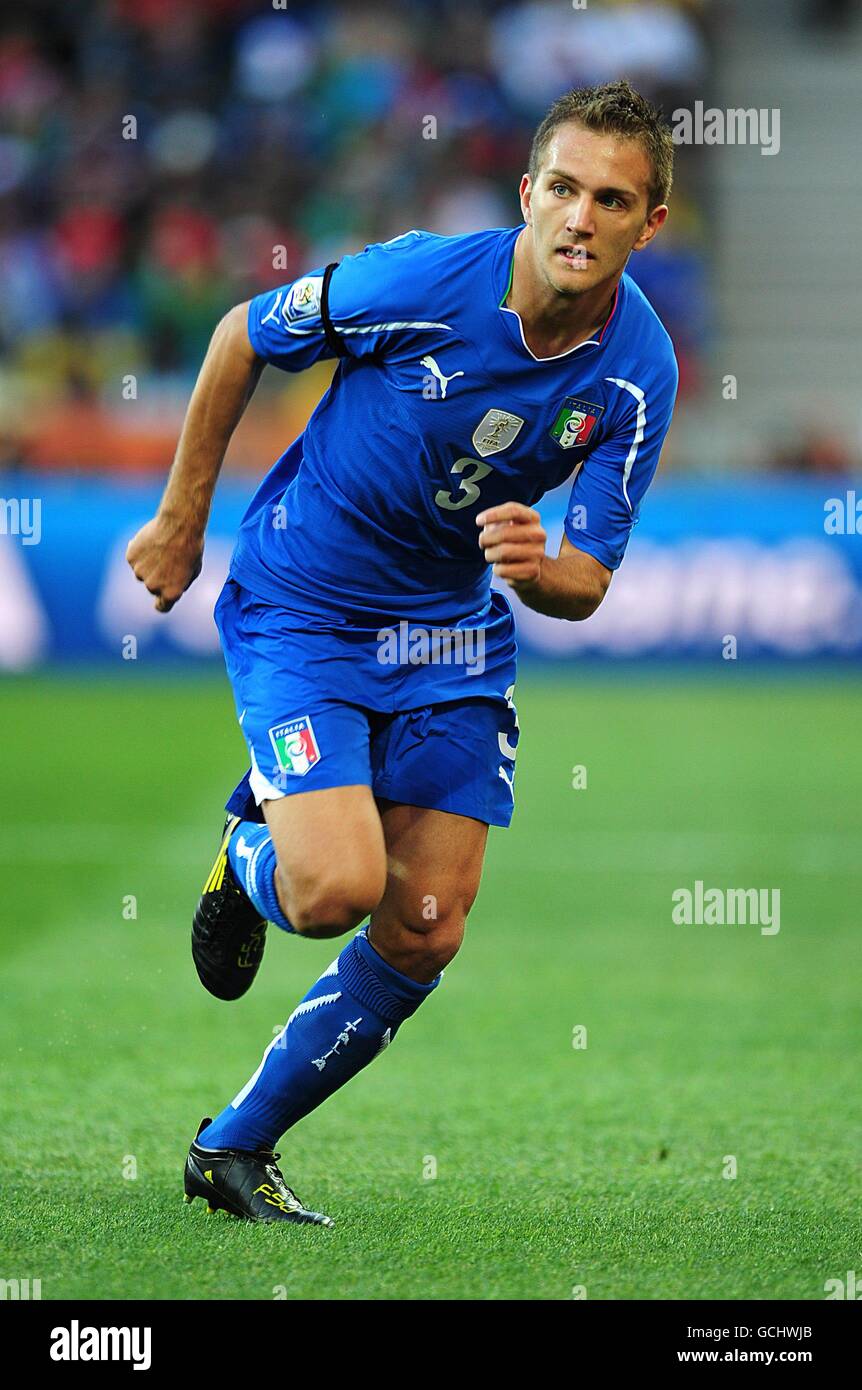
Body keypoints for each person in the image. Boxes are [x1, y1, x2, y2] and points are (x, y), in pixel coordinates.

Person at [126, 79, 678, 1226]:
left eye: (611, 200)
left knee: (425, 923)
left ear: (648, 223)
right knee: (333, 891)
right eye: (564, 190)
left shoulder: (639, 371)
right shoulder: (423, 279)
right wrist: (183, 519)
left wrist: (539, 567)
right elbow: (242, 336)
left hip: (450, 632)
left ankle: (231, 1148)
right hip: (307, 606)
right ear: (528, 194)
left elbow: (586, 581)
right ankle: (248, 855)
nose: (581, 218)